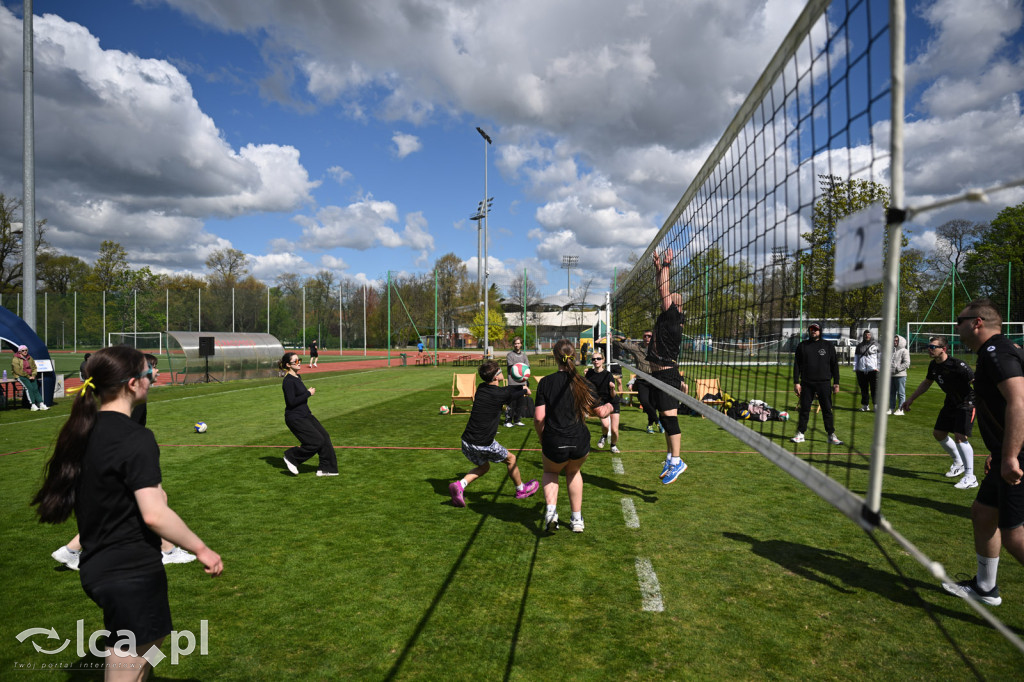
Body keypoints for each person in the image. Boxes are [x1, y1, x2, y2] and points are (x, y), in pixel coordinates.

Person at [31, 345, 222, 679]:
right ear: (133, 383)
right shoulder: (136, 438)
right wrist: (201, 549)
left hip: (100, 565)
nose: (152, 379)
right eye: (148, 374)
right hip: (129, 569)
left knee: (150, 642)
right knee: (128, 661)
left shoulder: (82, 430)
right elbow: (154, 514)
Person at [52, 353, 196, 571]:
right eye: (153, 369)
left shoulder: (129, 400)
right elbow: (124, 432)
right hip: (122, 459)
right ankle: (167, 550)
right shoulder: (131, 403)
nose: (156, 372)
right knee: (148, 501)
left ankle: (71, 550)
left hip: (118, 457)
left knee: (132, 504)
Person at [941, 299, 1024, 606]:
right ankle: (986, 588)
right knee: (983, 513)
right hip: (1006, 450)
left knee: (1015, 536)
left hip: (1017, 456)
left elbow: (1019, 401)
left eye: (960, 321)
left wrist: (1011, 455)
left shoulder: (995, 352)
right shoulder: (994, 352)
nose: (957, 326)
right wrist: (1001, 449)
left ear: (977, 322)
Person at [534, 339, 614, 532]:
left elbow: (538, 418)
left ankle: (552, 513)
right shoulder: (584, 382)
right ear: (575, 357)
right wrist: (612, 403)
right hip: (579, 441)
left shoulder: (545, 382)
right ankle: (577, 520)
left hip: (554, 440)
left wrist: (542, 437)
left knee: (551, 472)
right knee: (573, 472)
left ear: (555, 357)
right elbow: (602, 412)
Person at [448, 360, 539, 507]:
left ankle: (460, 485)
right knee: (511, 459)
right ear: (496, 377)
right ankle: (521, 489)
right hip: (483, 442)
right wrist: (524, 390)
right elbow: (509, 394)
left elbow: (507, 391)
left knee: (484, 467)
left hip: (466, 441)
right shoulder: (500, 394)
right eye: (499, 370)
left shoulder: (481, 387)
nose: (502, 371)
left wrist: (519, 388)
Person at [900, 336, 977, 489]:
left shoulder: (958, 365)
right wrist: (911, 399)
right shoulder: (933, 366)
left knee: (960, 436)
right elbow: (927, 382)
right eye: (929, 346)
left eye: (933, 347)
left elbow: (976, 383)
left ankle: (970, 476)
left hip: (967, 402)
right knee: (939, 433)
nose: (930, 349)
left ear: (944, 349)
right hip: (951, 402)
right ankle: (958, 462)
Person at [646, 248, 689, 484]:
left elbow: (663, 290)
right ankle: (671, 457)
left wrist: (666, 265)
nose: (665, 299)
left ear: (674, 304)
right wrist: (657, 269)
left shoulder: (672, 316)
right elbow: (661, 289)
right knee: (665, 418)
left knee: (670, 419)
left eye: (669, 299)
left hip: (666, 375)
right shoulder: (671, 317)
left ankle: (677, 460)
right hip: (659, 375)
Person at [279, 352, 338, 476]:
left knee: (325, 437)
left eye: (299, 360)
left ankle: (327, 468)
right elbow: (291, 402)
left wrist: (305, 394)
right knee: (316, 441)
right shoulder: (288, 381)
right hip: (295, 417)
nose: (299, 362)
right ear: (288, 365)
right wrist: (308, 393)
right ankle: (291, 457)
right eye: (295, 361)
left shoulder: (297, 377)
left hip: (305, 414)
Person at [791, 323, 843, 445]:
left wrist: (836, 382)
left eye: (816, 330)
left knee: (827, 410)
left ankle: (831, 435)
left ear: (820, 331)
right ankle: (800, 434)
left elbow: (834, 365)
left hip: (824, 383)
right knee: (804, 409)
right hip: (807, 383)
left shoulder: (828, 345)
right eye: (811, 330)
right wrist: (796, 382)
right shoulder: (802, 346)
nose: (813, 331)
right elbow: (796, 365)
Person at [585, 350, 621, 453]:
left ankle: (613, 445)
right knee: (605, 426)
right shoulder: (589, 373)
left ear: (603, 360)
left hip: (612, 401)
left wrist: (612, 389)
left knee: (614, 430)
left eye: (598, 359)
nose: (596, 361)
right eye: (593, 359)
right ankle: (604, 436)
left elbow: (613, 395)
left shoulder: (608, 375)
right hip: (600, 402)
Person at [504, 336, 530, 428]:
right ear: (513, 344)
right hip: (512, 383)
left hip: (522, 383)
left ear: (521, 344)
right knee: (511, 403)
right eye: (515, 343)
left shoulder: (524, 356)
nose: (517, 345)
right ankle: (507, 420)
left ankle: (517, 420)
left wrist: (525, 382)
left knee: (520, 403)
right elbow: (513, 368)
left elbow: (526, 368)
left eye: (518, 343)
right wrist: (520, 369)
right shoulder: (510, 355)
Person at [11, 344, 47, 411]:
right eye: (23, 350)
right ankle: (33, 405)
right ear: (19, 351)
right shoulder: (15, 359)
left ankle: (41, 404)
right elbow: (18, 370)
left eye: (26, 350)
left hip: (30, 376)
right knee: (29, 388)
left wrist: (33, 375)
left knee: (35, 388)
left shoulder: (30, 358)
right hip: (21, 376)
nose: (25, 351)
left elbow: (34, 367)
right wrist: (28, 376)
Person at [854, 329, 879, 411]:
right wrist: (856, 368)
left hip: (873, 370)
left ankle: (876, 406)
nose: (867, 336)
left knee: (874, 389)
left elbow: (880, 357)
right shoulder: (859, 346)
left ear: (871, 335)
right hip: (861, 371)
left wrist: (878, 367)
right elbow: (856, 358)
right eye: (865, 334)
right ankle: (865, 405)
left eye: (868, 334)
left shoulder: (876, 345)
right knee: (864, 389)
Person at [889, 335, 910, 415]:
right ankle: (891, 408)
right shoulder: (891, 351)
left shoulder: (904, 351)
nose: (895, 342)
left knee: (901, 393)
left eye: (897, 340)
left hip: (900, 375)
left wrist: (897, 369)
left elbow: (907, 363)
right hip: (891, 375)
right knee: (892, 393)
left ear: (901, 341)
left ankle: (901, 409)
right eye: (894, 340)